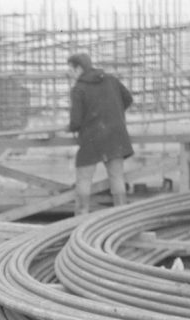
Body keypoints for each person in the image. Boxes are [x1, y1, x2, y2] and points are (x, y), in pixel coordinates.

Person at [66, 52, 133, 215]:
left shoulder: (79, 89)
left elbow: (75, 122)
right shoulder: (110, 80)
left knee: (84, 180)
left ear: (79, 68)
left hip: (91, 139)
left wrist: (70, 128)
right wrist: (113, 114)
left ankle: (80, 218)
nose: (69, 73)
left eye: (71, 69)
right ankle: (122, 215)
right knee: (117, 178)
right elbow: (128, 99)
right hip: (115, 136)